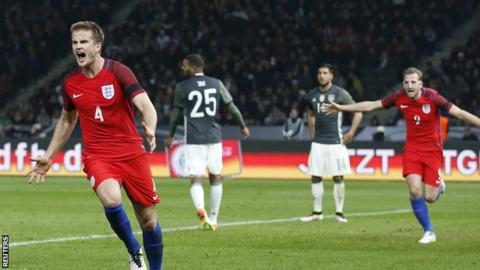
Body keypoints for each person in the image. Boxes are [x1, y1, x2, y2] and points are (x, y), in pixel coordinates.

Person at [27, 21, 163, 269]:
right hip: (98, 155)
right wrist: (49, 155)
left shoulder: (119, 72)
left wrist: (150, 127)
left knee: (149, 222)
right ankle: (134, 251)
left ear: (97, 46)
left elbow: (145, 105)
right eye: (75, 43)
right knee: (111, 200)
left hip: (132, 152)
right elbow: (67, 120)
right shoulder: (70, 83)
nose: (78, 47)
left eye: (83, 42)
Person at [323, 67, 480, 244]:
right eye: (406, 82)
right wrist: (342, 107)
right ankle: (429, 231)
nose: (409, 85)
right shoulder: (399, 97)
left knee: (429, 197)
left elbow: (459, 113)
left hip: (432, 151)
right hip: (412, 149)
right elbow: (371, 105)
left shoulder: (433, 97)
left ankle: (439, 187)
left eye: (413, 82)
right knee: (414, 190)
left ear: (420, 84)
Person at [164, 54, 249, 230]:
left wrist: (170, 136)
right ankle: (214, 218)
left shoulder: (182, 87)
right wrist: (243, 126)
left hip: (194, 138)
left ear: (194, 68)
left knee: (196, 179)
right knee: (216, 177)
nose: (182, 68)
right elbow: (232, 108)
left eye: (185, 65)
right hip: (213, 137)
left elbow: (175, 116)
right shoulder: (216, 84)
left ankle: (200, 208)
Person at [300, 63, 363, 223]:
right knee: (315, 176)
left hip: (336, 142)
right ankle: (317, 212)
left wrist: (351, 133)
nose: (322, 75)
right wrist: (311, 133)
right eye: (320, 72)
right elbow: (310, 113)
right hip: (318, 143)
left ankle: (339, 213)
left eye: (325, 73)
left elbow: (358, 113)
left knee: (338, 176)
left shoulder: (340, 93)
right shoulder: (311, 95)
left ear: (331, 76)